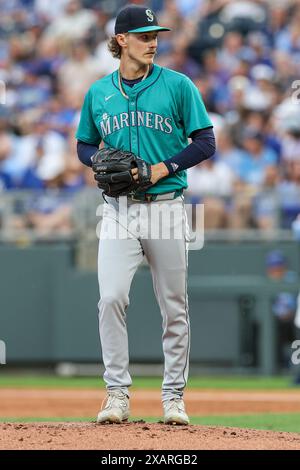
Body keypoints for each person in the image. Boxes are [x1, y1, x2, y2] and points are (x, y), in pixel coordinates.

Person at [76, 4, 215, 425]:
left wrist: (164, 167)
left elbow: (205, 141)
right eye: (144, 35)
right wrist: (98, 157)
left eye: (155, 35)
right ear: (122, 41)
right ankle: (117, 393)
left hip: (166, 207)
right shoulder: (99, 92)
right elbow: (84, 145)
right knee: (111, 298)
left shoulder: (177, 85)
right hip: (118, 210)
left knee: (174, 307)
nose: (153, 41)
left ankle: (173, 397)